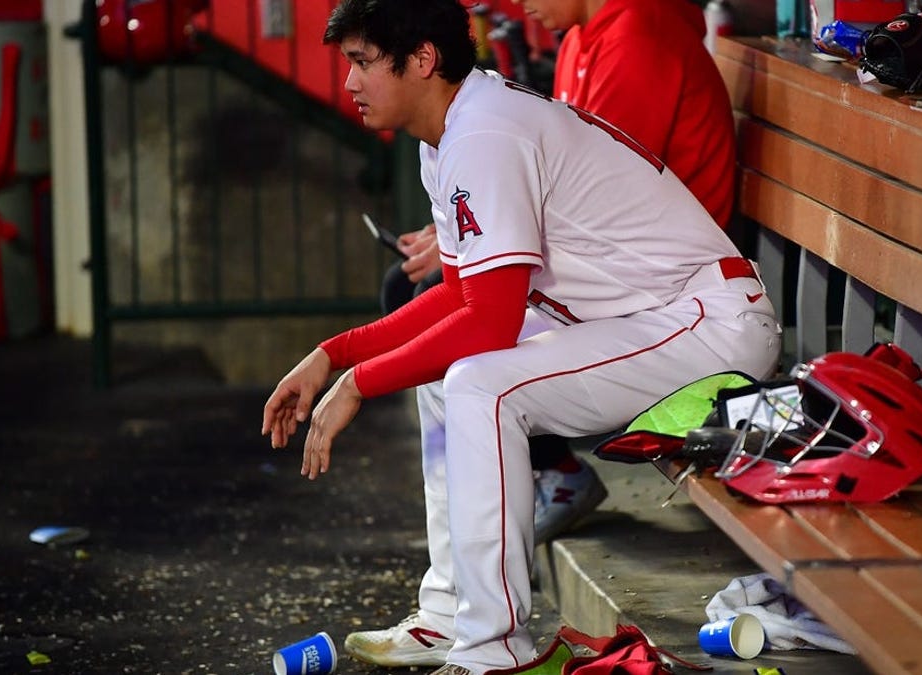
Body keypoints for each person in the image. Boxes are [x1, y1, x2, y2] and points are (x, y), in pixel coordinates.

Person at [261, 1, 780, 673]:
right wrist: (334, 353)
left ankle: (494, 651)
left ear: (423, 59)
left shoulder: (486, 132)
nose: (350, 84)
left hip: (708, 322)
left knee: (481, 384)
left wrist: (357, 382)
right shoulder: (445, 135)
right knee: (452, 383)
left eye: (362, 63)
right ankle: (452, 616)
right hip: (649, 319)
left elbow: (490, 320)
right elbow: (457, 293)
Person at [379, 0, 740, 550]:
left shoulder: (639, 33)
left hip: (662, 281)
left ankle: (552, 479)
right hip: (604, 269)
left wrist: (488, 232)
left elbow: (608, 195)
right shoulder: (579, 38)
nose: (521, 6)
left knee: (468, 344)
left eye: (363, 61)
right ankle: (456, 595)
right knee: (425, 308)